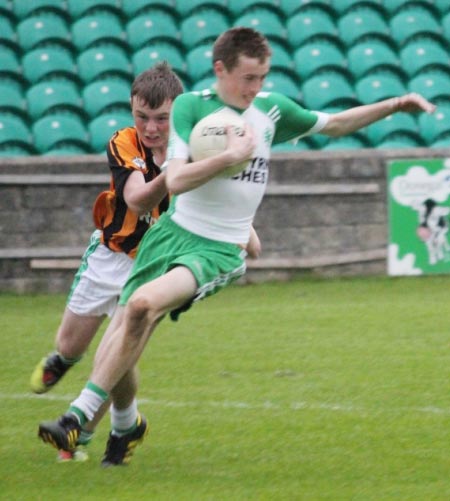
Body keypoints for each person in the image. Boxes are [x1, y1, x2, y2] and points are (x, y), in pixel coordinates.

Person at [38, 27, 436, 467]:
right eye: (248, 78)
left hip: (217, 248)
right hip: (169, 234)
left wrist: (395, 105)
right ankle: (123, 426)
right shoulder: (191, 107)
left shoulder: (270, 111)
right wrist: (229, 157)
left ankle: (76, 416)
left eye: (262, 77)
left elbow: (336, 123)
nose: (256, 88)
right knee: (129, 327)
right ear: (220, 69)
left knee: (138, 309)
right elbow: (176, 179)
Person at [31, 62, 184, 461]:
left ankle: (89, 431)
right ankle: (118, 412)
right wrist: (172, 173)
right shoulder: (124, 142)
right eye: (142, 116)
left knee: (114, 352)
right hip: (108, 254)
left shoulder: (194, 149)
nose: (151, 127)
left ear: (178, 113)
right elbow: (137, 199)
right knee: (71, 344)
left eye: (162, 119)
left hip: (151, 267)